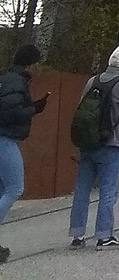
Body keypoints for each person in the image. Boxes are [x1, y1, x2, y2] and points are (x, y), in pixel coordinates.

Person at [69, 45, 119, 251]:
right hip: (111, 143)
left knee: (82, 188)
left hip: (88, 142)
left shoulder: (92, 81)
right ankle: (105, 237)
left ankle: (77, 235)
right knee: (108, 190)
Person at [0, 45, 50, 264]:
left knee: (2, 189)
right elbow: (9, 112)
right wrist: (34, 108)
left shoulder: (9, 78)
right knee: (15, 188)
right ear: (31, 62)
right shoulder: (15, 81)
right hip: (5, 139)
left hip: (4, 138)